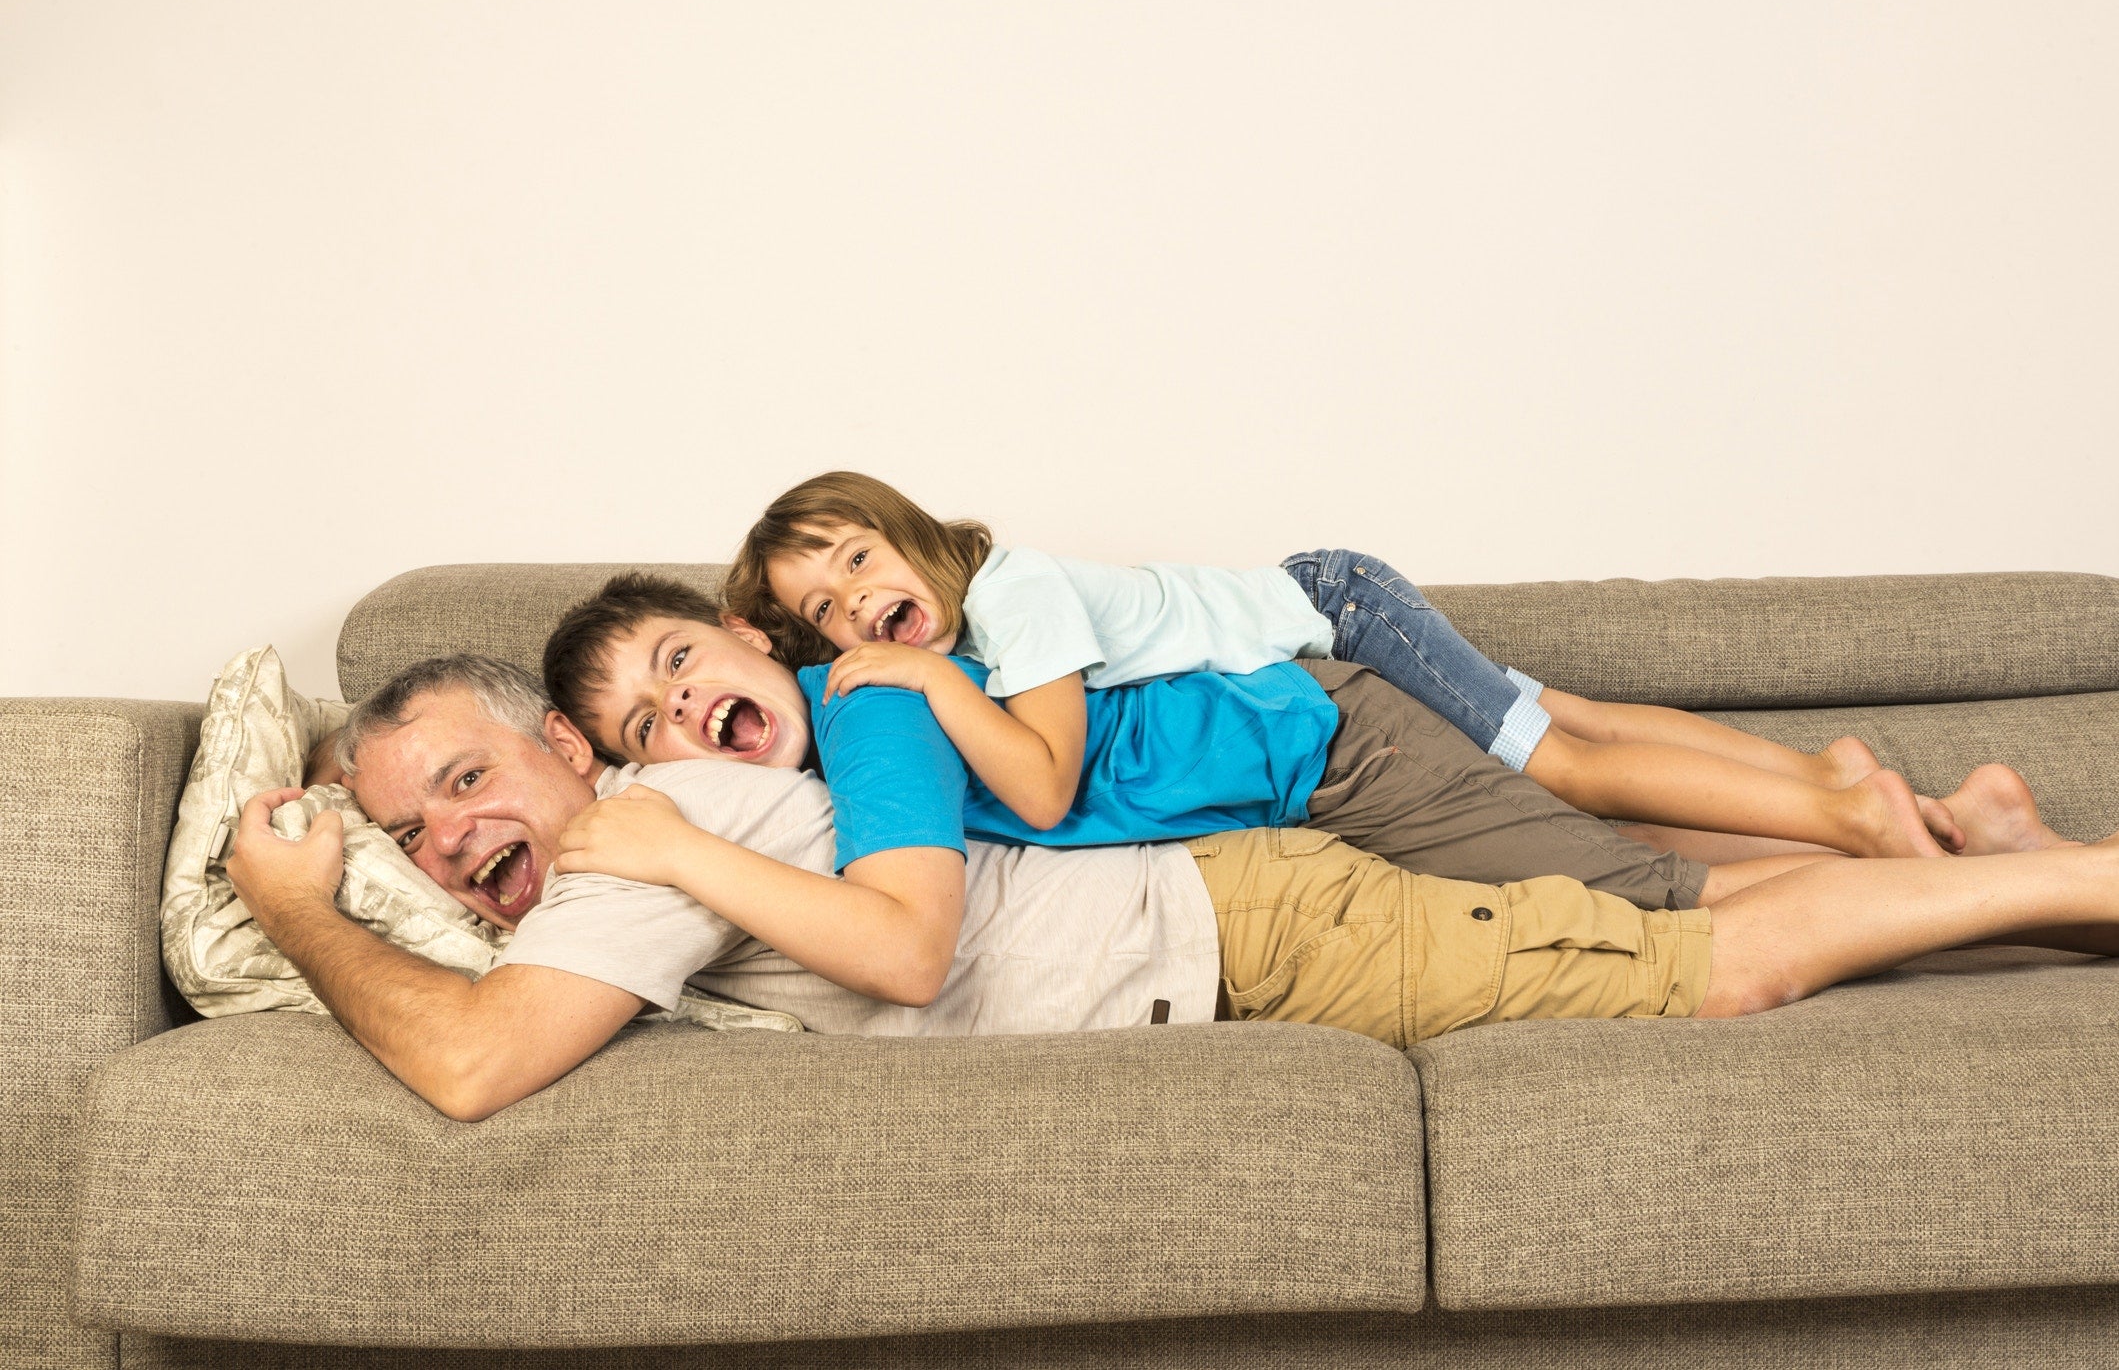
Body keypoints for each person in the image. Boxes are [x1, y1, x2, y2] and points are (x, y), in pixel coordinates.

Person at [227, 653, 2117, 1125]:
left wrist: (302, 905)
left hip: (1254, 920)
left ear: (567, 751)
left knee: (1710, 961)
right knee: (1653, 913)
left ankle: (2083, 876)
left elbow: (472, 1066)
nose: (451, 842)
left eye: (467, 781)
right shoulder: (630, 832)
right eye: (411, 836)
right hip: (1233, 909)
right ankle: (2021, 872)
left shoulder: (633, 835)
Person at [544, 574, 2065, 929]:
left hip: (1324, 745)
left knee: (1640, 903)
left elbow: (935, 904)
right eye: (644, 730)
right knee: (1601, 806)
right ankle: (1950, 824)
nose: (682, 715)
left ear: (743, 633)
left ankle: (1947, 860)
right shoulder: (838, 726)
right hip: (1305, 739)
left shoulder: (876, 696)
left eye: (682, 663)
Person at [718, 471, 1961, 859]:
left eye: (859, 558)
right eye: (824, 610)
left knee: (1561, 766)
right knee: (1563, 711)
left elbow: (1042, 788)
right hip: (1329, 594)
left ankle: (1849, 819)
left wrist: (935, 685)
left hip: (1339, 614)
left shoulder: (1010, 595)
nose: (856, 604)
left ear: (908, 531)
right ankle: (1829, 771)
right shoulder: (983, 625)